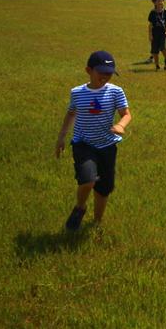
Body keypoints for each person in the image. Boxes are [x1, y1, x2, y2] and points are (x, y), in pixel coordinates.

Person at [55, 50, 132, 231]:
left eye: (109, 74)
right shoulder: (77, 92)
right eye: (101, 73)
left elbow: (126, 114)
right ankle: (80, 207)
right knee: (88, 180)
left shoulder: (116, 92)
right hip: (84, 144)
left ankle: (97, 222)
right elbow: (71, 113)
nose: (105, 77)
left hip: (107, 145)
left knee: (104, 189)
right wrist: (61, 137)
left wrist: (121, 125)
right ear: (88, 70)